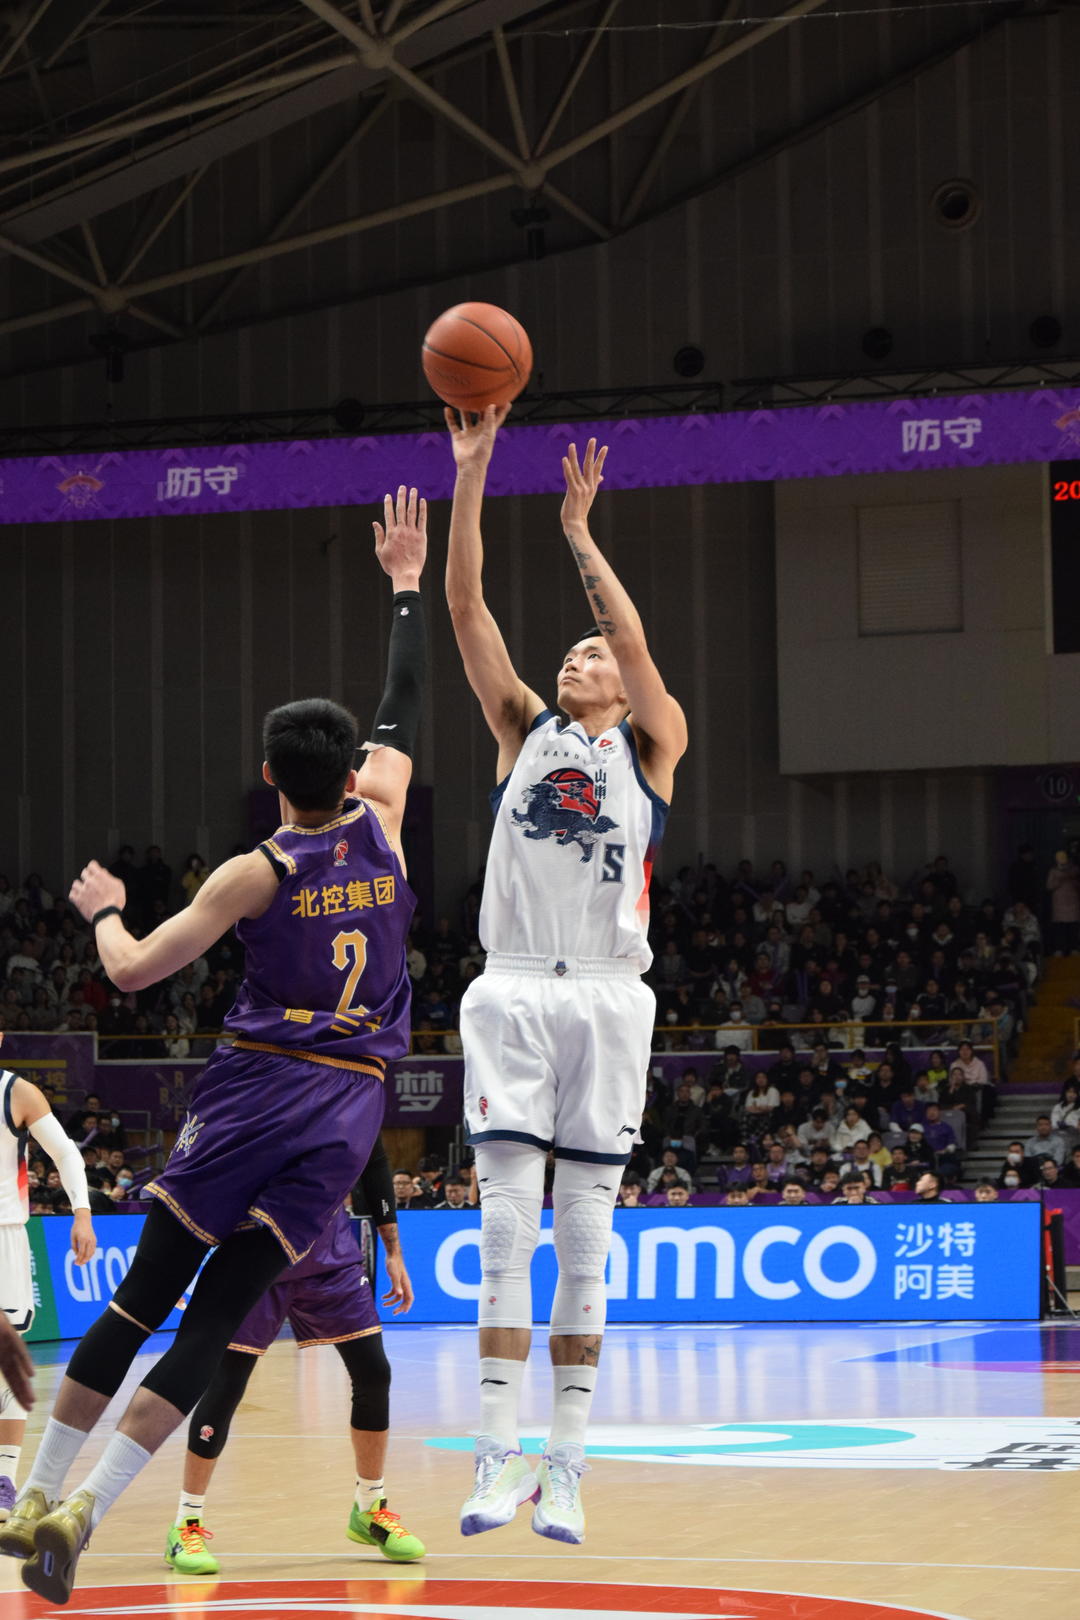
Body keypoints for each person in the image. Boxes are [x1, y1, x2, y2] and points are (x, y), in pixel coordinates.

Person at [1, 486, 428, 1605]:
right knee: (216, 1322)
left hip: (256, 1094)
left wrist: (105, 910)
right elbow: (404, 699)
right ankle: (90, 1512)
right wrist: (405, 586)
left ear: (268, 776)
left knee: (141, 1300)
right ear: (352, 772)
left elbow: (134, 970)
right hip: (349, 1110)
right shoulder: (387, 818)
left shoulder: (256, 872)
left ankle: (37, 1496)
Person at [445, 409, 686, 1545]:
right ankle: (496, 1457)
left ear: (624, 689)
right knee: (504, 1231)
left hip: (609, 992)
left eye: (590, 657)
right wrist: (473, 472)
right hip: (512, 988)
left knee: (586, 1238)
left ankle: (569, 1465)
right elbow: (467, 606)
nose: (575, 660)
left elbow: (630, 641)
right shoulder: (521, 730)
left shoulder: (653, 743)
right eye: (571, 654)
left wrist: (581, 533)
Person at [164, 1136, 422, 1574]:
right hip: (255, 1259)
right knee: (226, 1386)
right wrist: (179, 1261)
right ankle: (185, 1524)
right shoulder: (251, 1107)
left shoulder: (347, 1102)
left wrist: (393, 1251)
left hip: (331, 1258)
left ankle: (370, 1509)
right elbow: (193, 1173)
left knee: (374, 1372)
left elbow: (374, 1160)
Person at [0, 1035, 96, 1516]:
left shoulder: (16, 1092)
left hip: (4, 1237)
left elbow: (66, 1154)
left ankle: (3, 1478)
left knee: (6, 1364)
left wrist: (82, 1214)